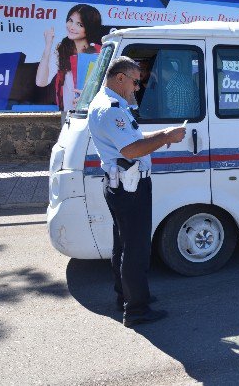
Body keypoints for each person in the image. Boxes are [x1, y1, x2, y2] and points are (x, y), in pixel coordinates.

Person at [87, 56, 186, 327]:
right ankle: (137, 310)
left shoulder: (111, 104)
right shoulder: (111, 109)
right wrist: (166, 137)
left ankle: (127, 297)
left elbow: (131, 139)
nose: (137, 87)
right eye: (135, 81)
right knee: (136, 249)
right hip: (130, 188)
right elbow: (130, 150)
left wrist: (162, 132)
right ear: (120, 78)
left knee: (123, 245)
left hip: (122, 185)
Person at [36, 4, 102, 111]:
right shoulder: (61, 51)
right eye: (70, 20)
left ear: (89, 27)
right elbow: (41, 82)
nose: (72, 27)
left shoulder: (99, 53)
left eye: (79, 24)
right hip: (67, 115)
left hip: (92, 112)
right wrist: (48, 45)